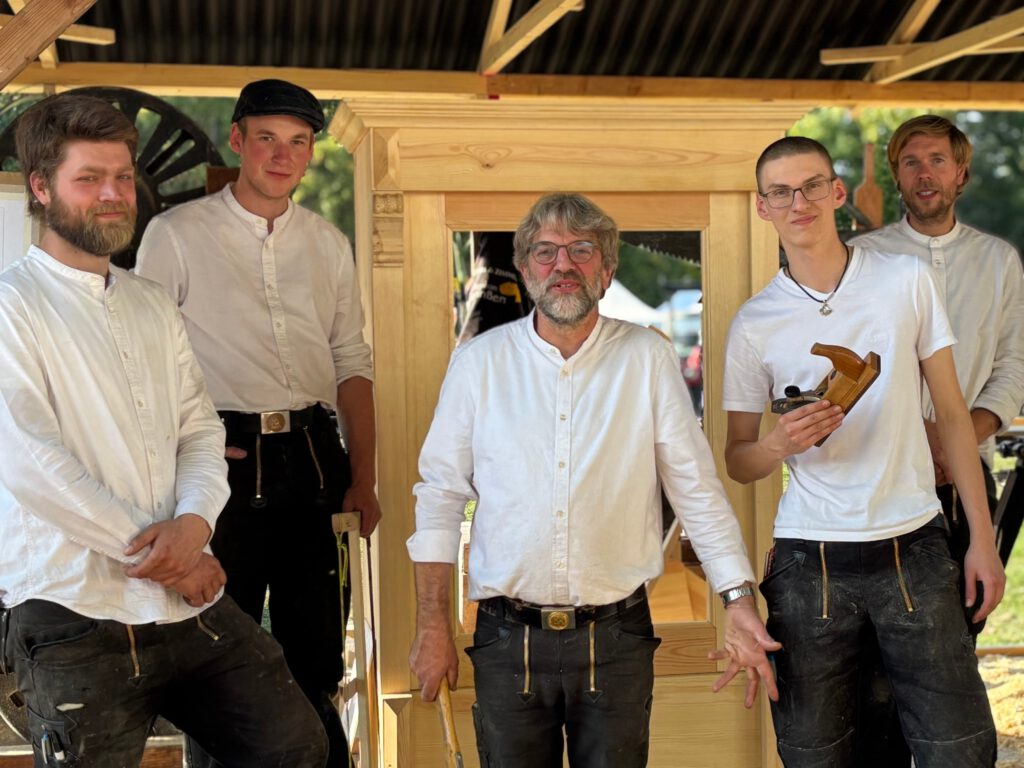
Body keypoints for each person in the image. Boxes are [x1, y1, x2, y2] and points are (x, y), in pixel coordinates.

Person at [0, 92, 326, 766]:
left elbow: (200, 432)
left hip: (186, 602)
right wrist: (172, 557)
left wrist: (197, 527)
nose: (113, 195)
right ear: (41, 187)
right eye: (88, 179)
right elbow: (32, 465)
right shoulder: (11, 306)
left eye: (122, 176)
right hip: (71, 608)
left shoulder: (150, 303)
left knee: (293, 746)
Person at [408, 192, 779, 768]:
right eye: (546, 252)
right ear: (526, 267)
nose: (563, 266)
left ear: (607, 272)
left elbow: (696, 492)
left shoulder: (648, 358)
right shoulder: (478, 363)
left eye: (582, 251)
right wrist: (431, 624)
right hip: (506, 641)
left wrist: (738, 601)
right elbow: (438, 496)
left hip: (617, 639)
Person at [723, 136, 1005, 767]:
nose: (799, 202)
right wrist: (777, 442)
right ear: (762, 206)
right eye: (780, 192)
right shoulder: (754, 323)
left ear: (837, 194)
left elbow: (955, 418)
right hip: (808, 560)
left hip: (917, 542)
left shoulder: (906, 282)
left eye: (812, 186)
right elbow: (739, 460)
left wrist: (981, 541)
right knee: (817, 754)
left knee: (959, 751)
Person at [135, 79, 381, 767]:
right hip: (221, 458)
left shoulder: (329, 245)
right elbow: (145, 367)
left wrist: (363, 478)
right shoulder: (175, 235)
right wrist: (180, 468)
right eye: (267, 138)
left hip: (311, 460)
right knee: (213, 659)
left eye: (298, 142)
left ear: (311, 152)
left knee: (315, 658)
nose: (283, 155)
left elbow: (352, 364)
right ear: (238, 139)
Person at [848, 114, 1024, 766]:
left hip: (962, 485)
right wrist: (911, 435)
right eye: (912, 162)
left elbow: (1014, 368)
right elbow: (851, 364)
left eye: (937, 161)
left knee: (954, 648)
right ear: (897, 174)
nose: (926, 174)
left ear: (961, 172)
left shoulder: (999, 262)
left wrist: (960, 437)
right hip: (882, 481)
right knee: (876, 664)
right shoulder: (865, 258)